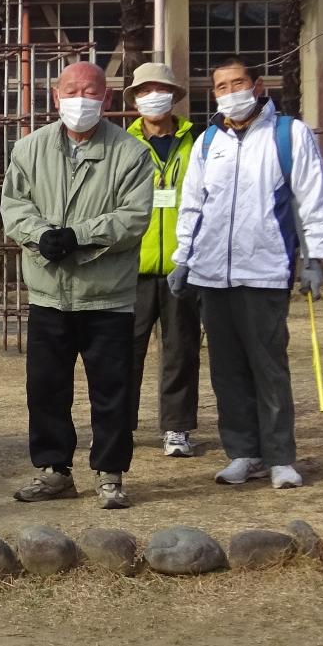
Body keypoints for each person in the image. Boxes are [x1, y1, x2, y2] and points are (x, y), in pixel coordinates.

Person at [171, 57, 323, 489]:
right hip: (212, 275)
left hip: (265, 271)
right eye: (222, 86)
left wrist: (315, 258)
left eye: (238, 82)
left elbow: (313, 197)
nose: (231, 92)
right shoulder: (208, 142)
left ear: (257, 85)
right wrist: (183, 258)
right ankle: (244, 452)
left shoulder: (289, 134)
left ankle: (281, 456)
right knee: (226, 371)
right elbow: (193, 205)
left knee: (269, 368)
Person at [0, 62, 155, 510]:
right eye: (71, 90)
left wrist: (78, 236)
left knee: (111, 389)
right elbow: (14, 205)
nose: (80, 99)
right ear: (55, 96)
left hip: (107, 295)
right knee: (46, 387)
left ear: (106, 100)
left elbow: (134, 217)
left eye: (90, 92)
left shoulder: (130, 153)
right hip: (49, 292)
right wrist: (39, 234)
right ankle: (53, 470)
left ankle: (111, 473)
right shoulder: (29, 149)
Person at [123, 62, 204, 459]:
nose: (152, 97)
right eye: (143, 91)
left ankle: (177, 428)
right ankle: (119, 423)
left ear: (174, 95)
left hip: (183, 265)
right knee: (124, 351)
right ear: (135, 100)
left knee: (181, 350)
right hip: (131, 267)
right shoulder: (122, 144)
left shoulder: (199, 141)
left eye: (159, 89)